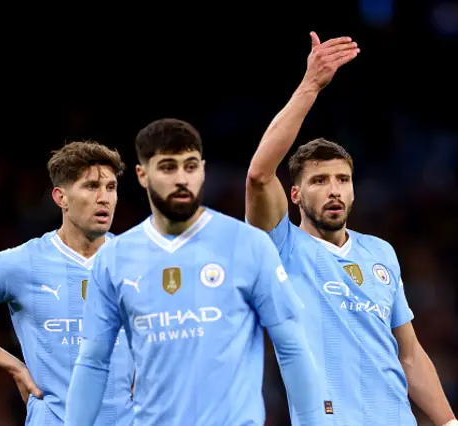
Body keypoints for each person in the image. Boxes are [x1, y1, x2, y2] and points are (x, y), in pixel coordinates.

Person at [245, 31, 458, 426]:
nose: (333, 190)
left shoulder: (380, 253)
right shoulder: (280, 246)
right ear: (294, 195)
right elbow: (259, 175)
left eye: (342, 180)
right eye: (319, 180)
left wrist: (449, 423)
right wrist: (310, 86)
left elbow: (408, 355)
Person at [65, 118, 324, 426]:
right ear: (142, 175)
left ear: (203, 169)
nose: (181, 179)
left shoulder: (248, 244)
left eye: (190, 167)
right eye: (167, 168)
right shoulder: (114, 258)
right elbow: (93, 362)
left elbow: (292, 348)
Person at [0, 141, 135, 426]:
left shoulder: (138, 262)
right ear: (61, 197)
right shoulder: (21, 263)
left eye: (111, 188)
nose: (104, 198)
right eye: (91, 186)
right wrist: (15, 367)